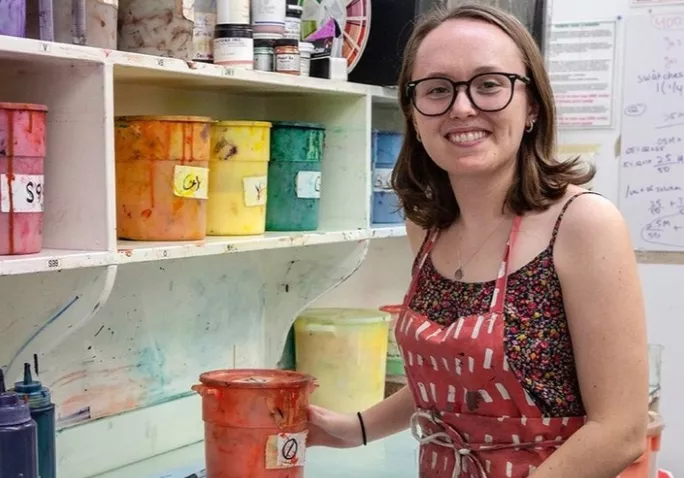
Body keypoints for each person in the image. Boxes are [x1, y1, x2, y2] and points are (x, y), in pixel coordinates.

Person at [307, 3, 649, 477]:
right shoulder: (427, 227)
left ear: (531, 104)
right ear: (415, 112)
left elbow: (621, 430)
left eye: (489, 84)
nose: (461, 107)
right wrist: (355, 428)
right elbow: (455, 381)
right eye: (438, 89)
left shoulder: (582, 224)